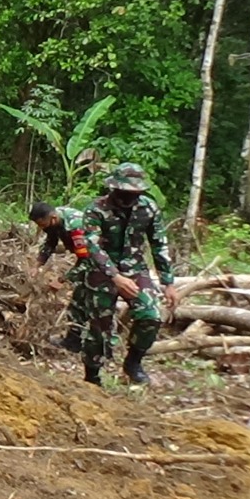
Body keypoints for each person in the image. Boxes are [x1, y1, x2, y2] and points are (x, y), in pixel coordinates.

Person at [83, 163, 178, 385]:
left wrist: (168, 282)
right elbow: (92, 248)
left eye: (135, 193)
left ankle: (133, 363)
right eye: (125, 192)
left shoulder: (148, 208)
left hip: (135, 269)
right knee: (99, 327)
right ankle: (92, 375)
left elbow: (159, 244)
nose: (129, 198)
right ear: (114, 189)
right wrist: (115, 277)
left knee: (151, 315)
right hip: (102, 273)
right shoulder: (95, 210)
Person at [29, 202, 102, 354]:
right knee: (78, 303)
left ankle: (98, 347)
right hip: (89, 260)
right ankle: (74, 342)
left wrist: (63, 279)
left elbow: (87, 260)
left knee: (90, 304)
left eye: (42, 224)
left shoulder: (76, 228)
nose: (42, 228)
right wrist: (38, 264)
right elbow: (50, 242)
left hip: (102, 263)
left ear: (53, 218)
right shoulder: (55, 221)